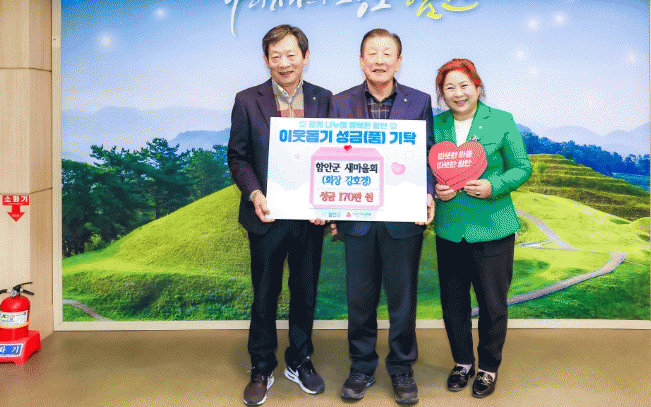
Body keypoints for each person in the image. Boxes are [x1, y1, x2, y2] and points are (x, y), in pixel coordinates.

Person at [227, 24, 333, 406]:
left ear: (305, 57)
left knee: (305, 291)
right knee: (265, 293)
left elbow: (335, 154)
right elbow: (238, 156)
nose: (284, 63)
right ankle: (261, 365)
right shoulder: (247, 100)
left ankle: (300, 360)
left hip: (309, 217)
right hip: (267, 215)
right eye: (276, 56)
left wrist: (326, 203)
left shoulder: (324, 99)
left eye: (291, 55)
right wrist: (255, 193)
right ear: (266, 60)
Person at [331, 28, 435, 405]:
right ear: (361, 61)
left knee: (402, 300)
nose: (379, 60)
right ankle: (361, 367)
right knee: (360, 300)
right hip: (356, 217)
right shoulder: (339, 102)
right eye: (371, 53)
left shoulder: (419, 101)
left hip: (402, 217)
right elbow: (330, 155)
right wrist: (328, 206)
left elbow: (427, 153)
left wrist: (427, 191)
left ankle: (402, 368)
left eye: (387, 53)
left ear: (399, 61)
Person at [432, 58, 532, 398]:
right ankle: (462, 362)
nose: (458, 93)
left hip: (493, 228)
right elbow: (425, 169)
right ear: (442, 94)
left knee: (492, 303)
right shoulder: (435, 125)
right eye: (449, 88)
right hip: (450, 229)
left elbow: (522, 167)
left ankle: (488, 367)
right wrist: (435, 188)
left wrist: (494, 186)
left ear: (477, 87)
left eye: (464, 85)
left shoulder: (501, 120)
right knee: (453, 303)